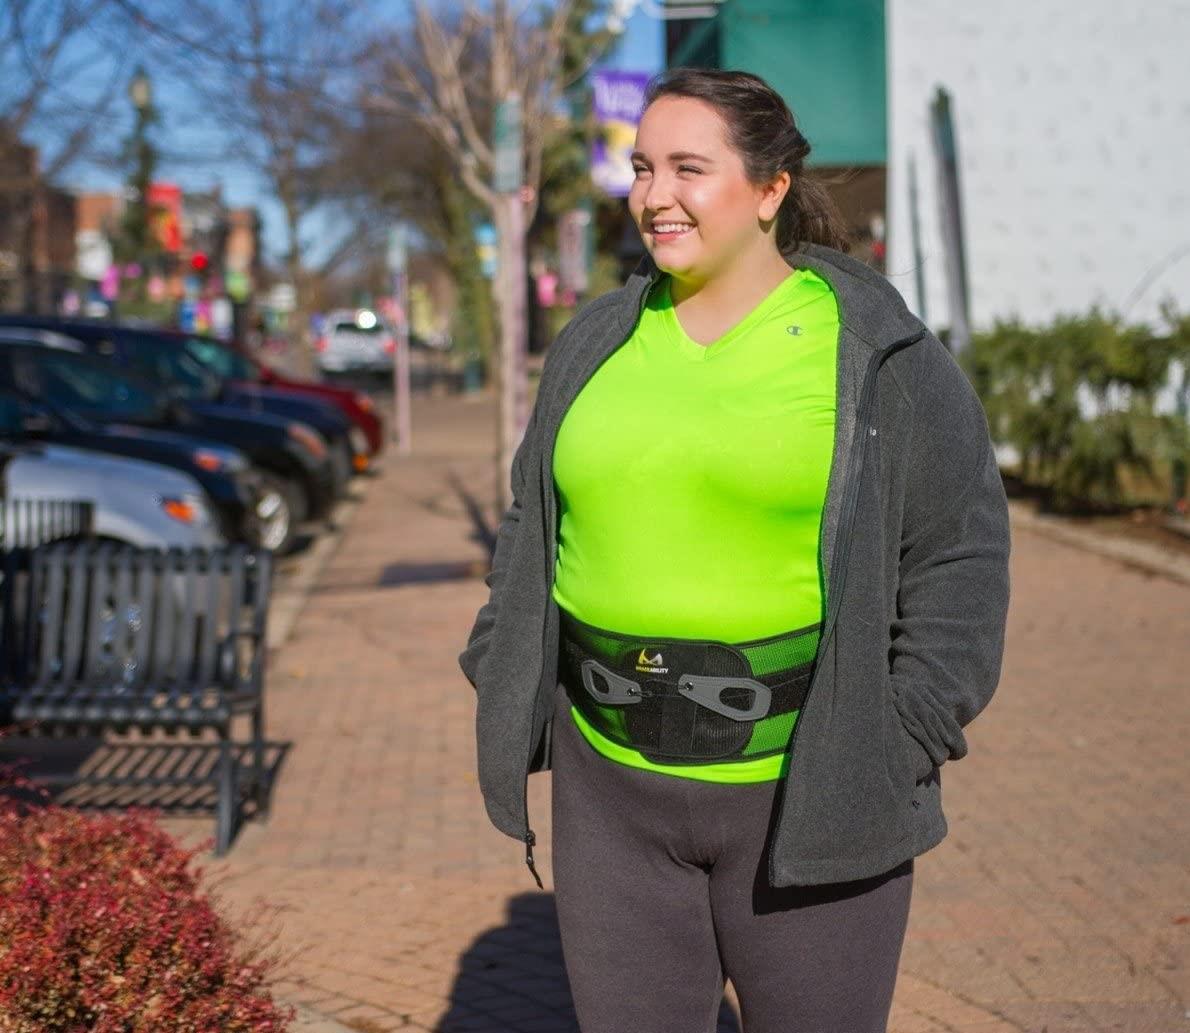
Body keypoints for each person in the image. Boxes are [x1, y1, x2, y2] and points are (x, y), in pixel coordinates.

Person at [460, 68, 1010, 1033]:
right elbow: (527, 517)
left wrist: (905, 730)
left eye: (686, 168)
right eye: (640, 168)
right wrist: (501, 656)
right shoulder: (597, 338)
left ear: (769, 191)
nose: (652, 196)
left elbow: (960, 549)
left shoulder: (878, 350)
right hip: (611, 795)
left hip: (814, 787)